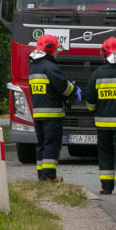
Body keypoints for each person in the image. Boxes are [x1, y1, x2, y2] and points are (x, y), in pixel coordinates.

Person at [83, 37, 116, 195]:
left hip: (102, 124)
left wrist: (94, 110)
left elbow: (90, 98)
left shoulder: (96, 75)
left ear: (103, 54)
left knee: (105, 153)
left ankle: (106, 187)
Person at [29, 34, 76, 182]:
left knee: (41, 145)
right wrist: (73, 88)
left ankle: (42, 176)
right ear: (50, 50)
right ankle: (49, 176)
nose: (58, 53)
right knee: (52, 145)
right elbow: (63, 88)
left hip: (38, 114)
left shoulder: (33, 67)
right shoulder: (50, 67)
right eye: (56, 50)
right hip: (52, 114)